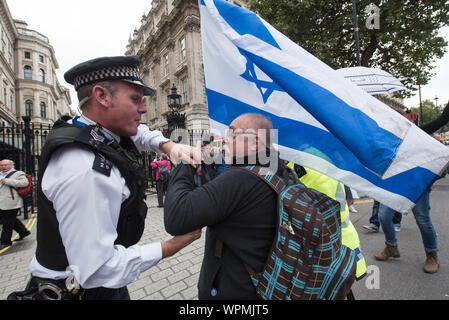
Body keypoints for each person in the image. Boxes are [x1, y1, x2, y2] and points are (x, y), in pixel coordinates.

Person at [16, 56, 202, 300]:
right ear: (102, 96)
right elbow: (98, 269)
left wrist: (169, 146)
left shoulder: (93, 129)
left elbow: (140, 133)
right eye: (135, 99)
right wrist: (171, 246)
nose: (144, 108)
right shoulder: (84, 169)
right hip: (84, 290)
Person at [164, 113, 279, 300]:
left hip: (232, 290)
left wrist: (186, 160)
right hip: (258, 283)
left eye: (233, 133)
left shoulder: (240, 178)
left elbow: (176, 217)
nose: (225, 139)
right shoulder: (276, 168)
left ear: (255, 143)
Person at [374, 101, 449, 274]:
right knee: (384, 216)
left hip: (416, 183)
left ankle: (432, 255)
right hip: (394, 183)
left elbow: (440, 121)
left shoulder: (415, 133)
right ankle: (391, 247)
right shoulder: (383, 138)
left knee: (422, 218)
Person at [0, 160, 31, 250]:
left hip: (11, 201)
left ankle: (5, 241)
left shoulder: (18, 173)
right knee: (10, 219)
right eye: (1, 165)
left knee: (7, 222)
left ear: (11, 165)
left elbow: (24, 183)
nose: (3, 167)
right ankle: (23, 232)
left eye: (5, 165)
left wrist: (7, 181)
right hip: (1, 202)